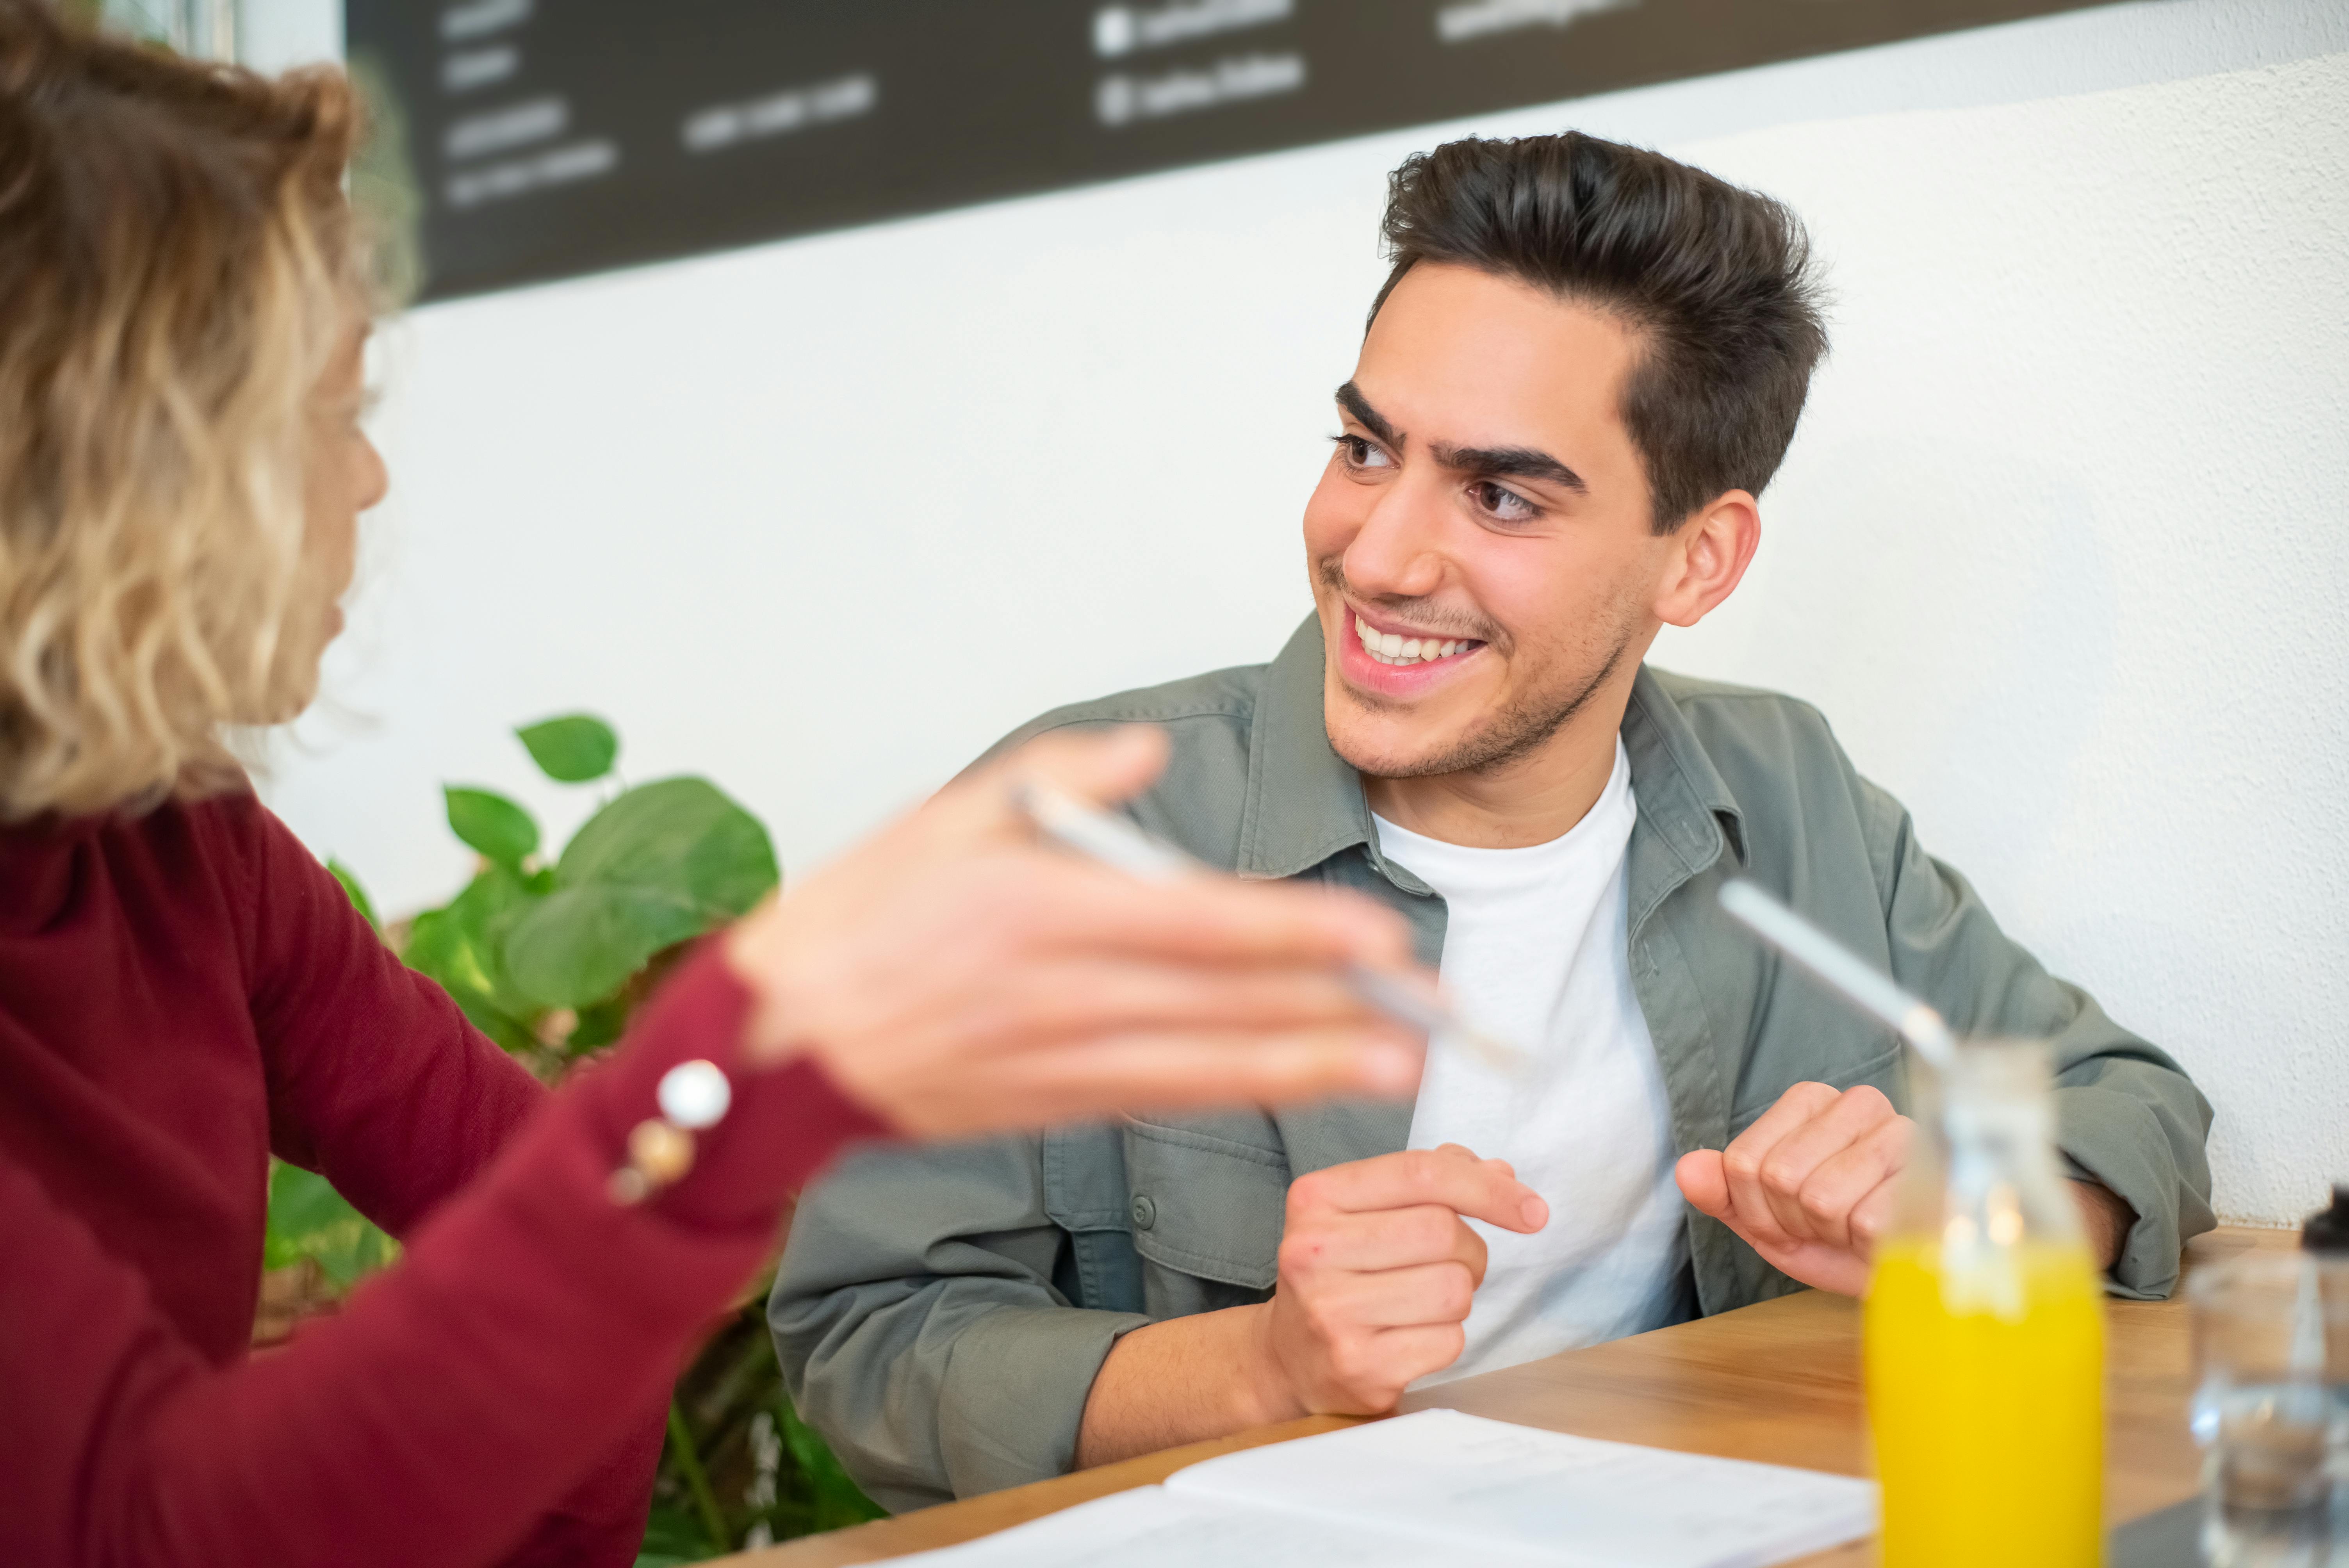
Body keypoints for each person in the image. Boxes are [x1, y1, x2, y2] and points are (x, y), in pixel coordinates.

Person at [0, 9, 1432, 1566]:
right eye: (332, 413)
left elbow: (542, 1219)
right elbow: (157, 1525)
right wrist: (733, 1068)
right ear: (121, 470)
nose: (370, 479)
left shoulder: (180, 851)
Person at [771, 130, 2217, 1510]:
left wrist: (1965, 1211)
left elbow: (2129, 1106)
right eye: (1364, 448)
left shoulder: (1788, 789)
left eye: (1503, 497)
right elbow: (864, 1342)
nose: (1379, 553)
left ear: (1698, 561)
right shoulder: (1069, 827)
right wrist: (1261, 1367)